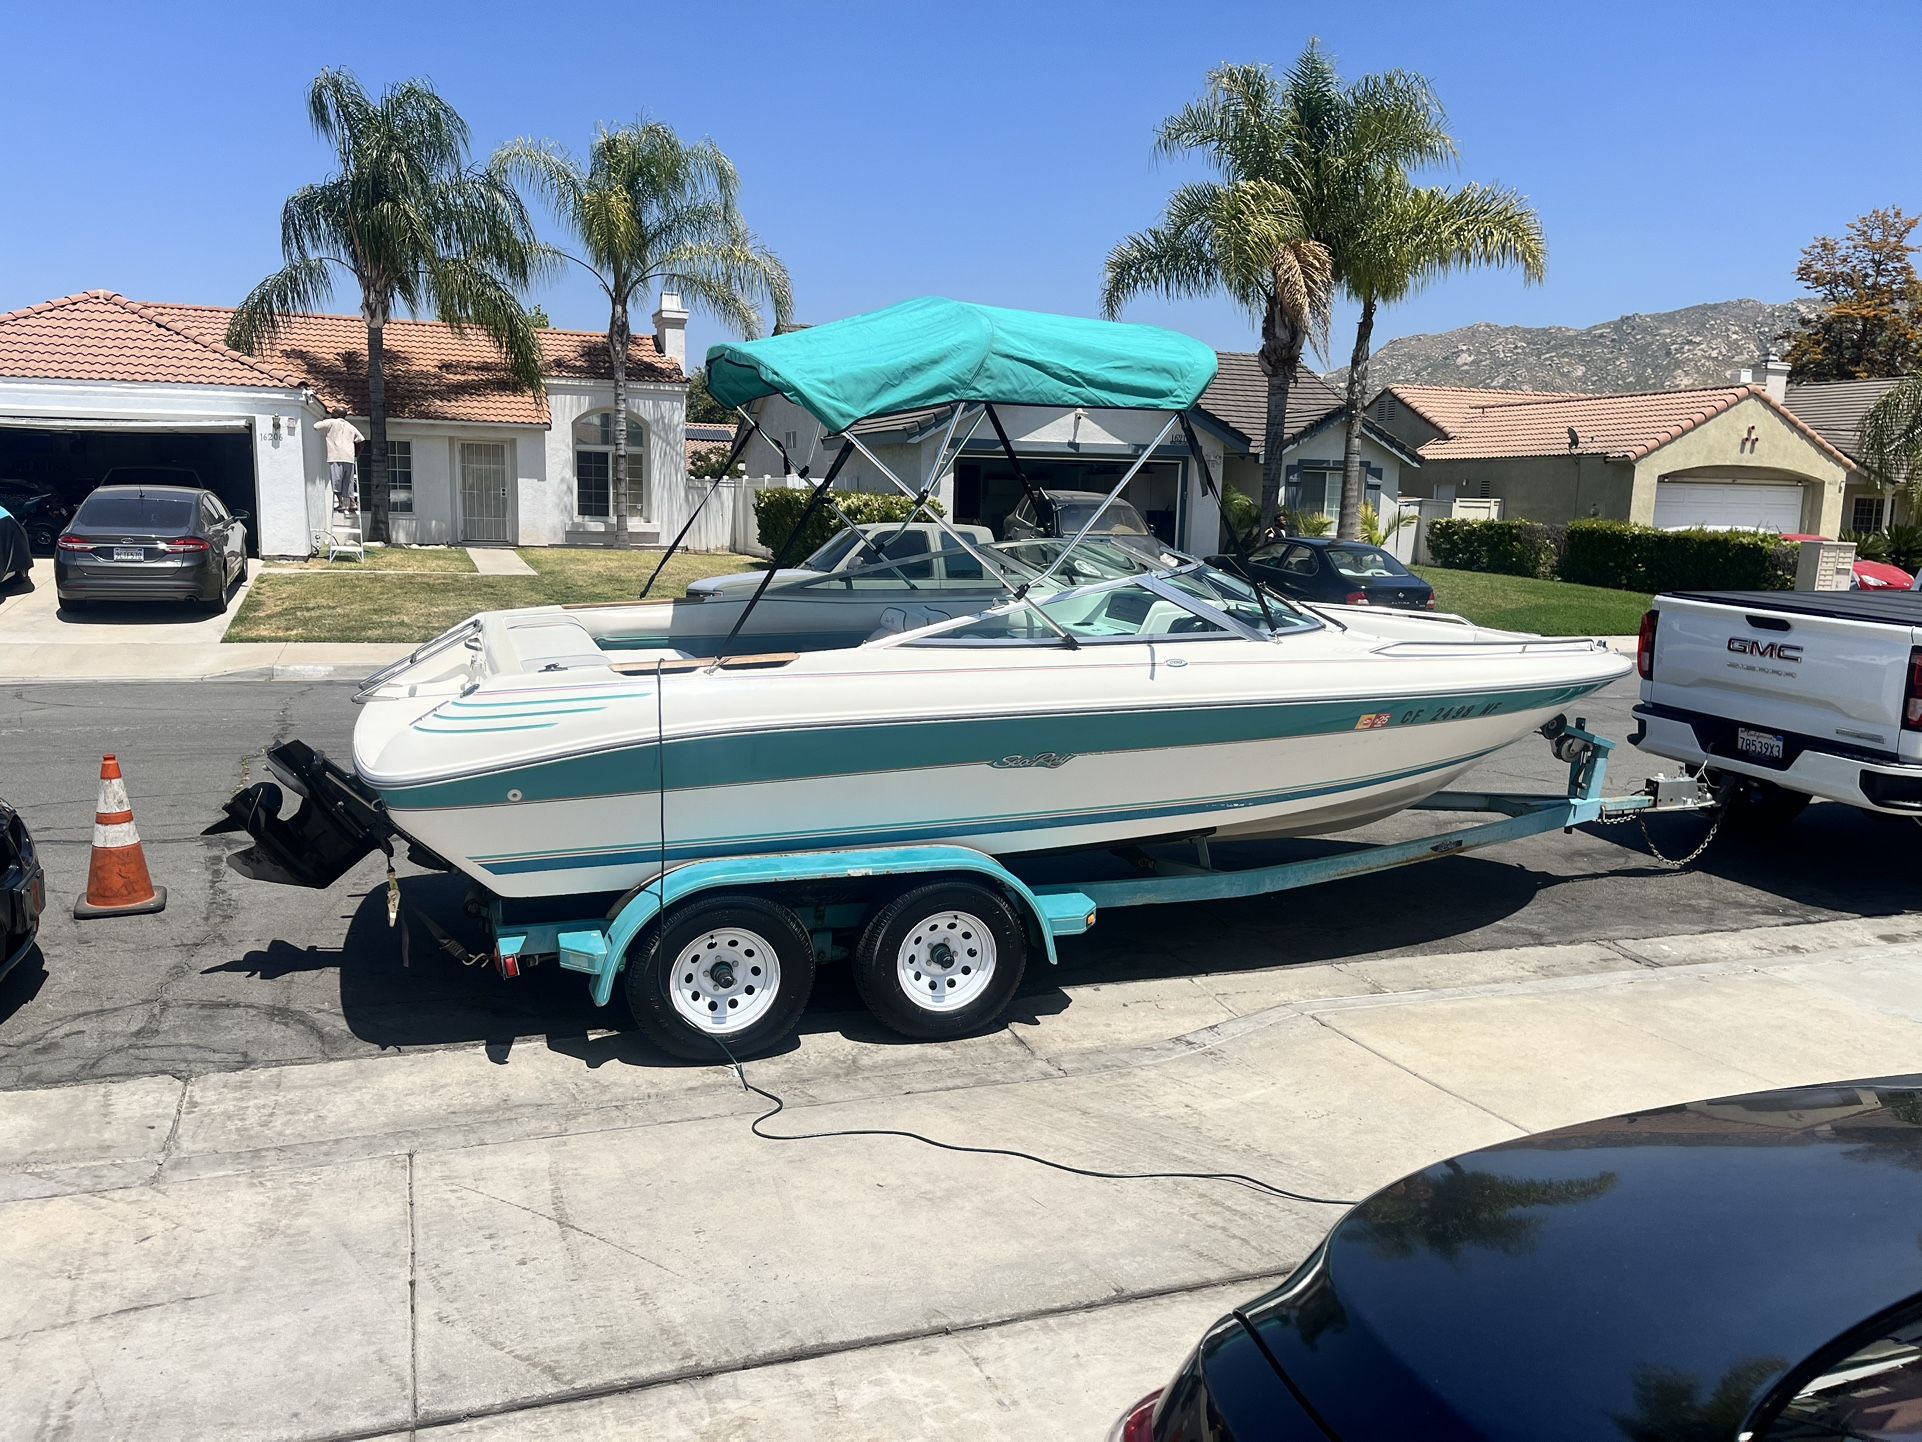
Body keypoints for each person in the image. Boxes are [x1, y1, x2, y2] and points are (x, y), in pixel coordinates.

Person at [313, 413, 367, 515]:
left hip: (335, 456)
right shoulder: (350, 426)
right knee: (349, 481)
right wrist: (357, 454)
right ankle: (352, 503)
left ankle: (341, 504)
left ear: (335, 414)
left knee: (336, 481)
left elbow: (316, 426)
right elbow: (361, 439)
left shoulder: (331, 422)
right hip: (349, 457)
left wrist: (325, 423)